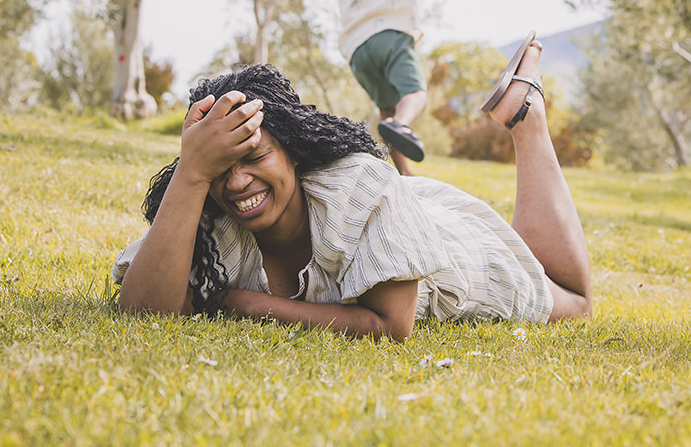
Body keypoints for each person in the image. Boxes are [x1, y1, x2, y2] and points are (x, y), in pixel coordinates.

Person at [113, 34, 592, 342]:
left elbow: (391, 326)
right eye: (219, 167)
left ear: (293, 152)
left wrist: (250, 305)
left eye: (255, 157)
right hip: (397, 218)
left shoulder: (358, 186)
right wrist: (193, 174)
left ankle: (528, 117)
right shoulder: (203, 214)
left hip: (452, 253)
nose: (237, 183)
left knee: (576, 301)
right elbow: (145, 312)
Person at [325, 0, 477, 175]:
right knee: (415, 93)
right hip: (390, 36)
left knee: (386, 110)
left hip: (358, 52)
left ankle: (403, 174)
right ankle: (402, 123)